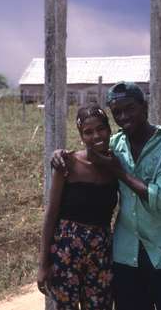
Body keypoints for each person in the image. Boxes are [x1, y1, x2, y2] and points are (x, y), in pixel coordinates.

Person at [52, 81, 161, 310]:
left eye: (130, 108)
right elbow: (89, 148)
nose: (123, 116)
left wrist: (120, 172)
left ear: (144, 107)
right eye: (117, 112)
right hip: (126, 255)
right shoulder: (116, 144)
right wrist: (59, 154)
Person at [38, 103, 118, 310]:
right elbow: (51, 214)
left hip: (101, 251)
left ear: (110, 130)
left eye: (101, 128)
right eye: (88, 132)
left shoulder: (116, 165)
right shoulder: (68, 163)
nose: (96, 136)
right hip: (65, 251)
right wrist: (43, 264)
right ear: (81, 137)